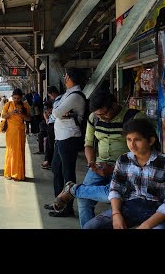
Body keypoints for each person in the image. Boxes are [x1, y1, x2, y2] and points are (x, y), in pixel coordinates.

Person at [48, 90, 147, 227]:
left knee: (115, 194)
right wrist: (91, 163)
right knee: (84, 200)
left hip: (127, 167)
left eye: (105, 114)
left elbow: (144, 151)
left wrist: (113, 169)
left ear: (114, 105)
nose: (102, 118)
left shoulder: (134, 118)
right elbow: (88, 144)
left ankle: (74, 189)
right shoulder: (94, 118)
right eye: (98, 115)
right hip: (100, 163)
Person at [83, 119, 165, 229]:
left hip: (159, 212)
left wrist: (146, 225)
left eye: (137, 140)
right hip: (131, 206)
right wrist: (116, 214)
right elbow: (115, 189)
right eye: (129, 139)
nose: (132, 144)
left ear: (151, 141)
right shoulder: (123, 159)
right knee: (91, 226)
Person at [45, 68, 86, 217]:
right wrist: (61, 112)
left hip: (69, 138)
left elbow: (55, 113)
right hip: (60, 137)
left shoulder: (75, 96)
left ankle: (67, 207)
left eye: (65, 76)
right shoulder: (68, 94)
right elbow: (57, 110)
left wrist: (59, 112)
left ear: (69, 77)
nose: (64, 78)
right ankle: (58, 202)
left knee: (67, 173)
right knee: (56, 169)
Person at [1, 88, 31, 181]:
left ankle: (19, 174)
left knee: (20, 151)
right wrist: (11, 113)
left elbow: (29, 119)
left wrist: (22, 114)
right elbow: (3, 116)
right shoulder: (8, 104)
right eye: (14, 98)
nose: (16, 100)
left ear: (21, 98)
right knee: (11, 151)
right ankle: (9, 173)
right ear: (12, 97)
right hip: (11, 132)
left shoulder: (25, 106)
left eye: (18, 98)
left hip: (20, 131)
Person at [41, 86, 62, 169]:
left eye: (50, 95)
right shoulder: (60, 100)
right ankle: (50, 161)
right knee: (51, 143)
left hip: (53, 124)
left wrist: (48, 118)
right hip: (54, 124)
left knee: (50, 144)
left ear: (53, 93)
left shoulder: (58, 101)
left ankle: (49, 161)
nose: (50, 97)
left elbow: (54, 115)